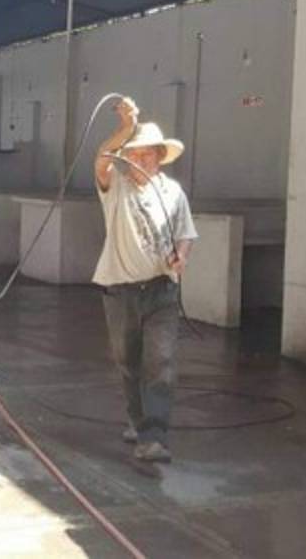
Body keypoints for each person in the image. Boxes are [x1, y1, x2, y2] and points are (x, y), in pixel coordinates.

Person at [92, 97, 197, 463]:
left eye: (146, 154)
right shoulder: (116, 186)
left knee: (161, 360)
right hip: (120, 292)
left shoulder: (173, 192)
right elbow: (101, 161)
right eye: (133, 153)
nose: (139, 160)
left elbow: (186, 233)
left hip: (162, 291)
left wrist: (181, 255)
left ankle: (154, 435)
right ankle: (137, 421)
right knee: (128, 361)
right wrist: (125, 128)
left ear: (158, 156)